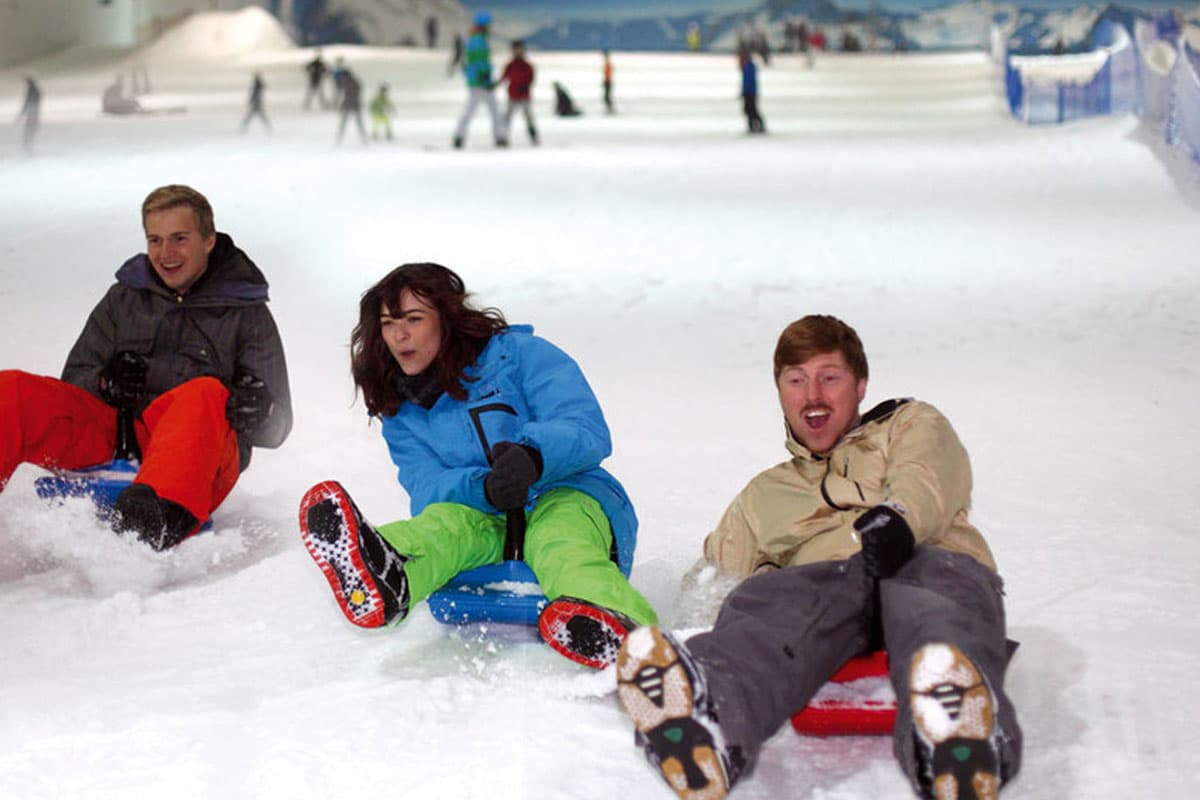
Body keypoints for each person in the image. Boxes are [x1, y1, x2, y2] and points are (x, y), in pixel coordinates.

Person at [616, 315, 1022, 800]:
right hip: (828, 588)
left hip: (926, 557)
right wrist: (662, 640)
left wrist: (898, 520)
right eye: (796, 380)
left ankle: (956, 732)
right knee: (771, 599)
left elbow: (927, 475)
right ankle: (708, 713)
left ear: (860, 385)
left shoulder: (907, 423)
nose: (813, 396)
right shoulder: (763, 496)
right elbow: (713, 581)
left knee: (936, 607)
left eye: (829, 377)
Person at [299, 263, 657, 669]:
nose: (400, 335)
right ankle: (386, 569)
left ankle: (618, 628)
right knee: (443, 527)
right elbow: (426, 484)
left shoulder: (522, 356)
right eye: (388, 324)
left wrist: (532, 457)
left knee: (560, 543)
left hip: (570, 494)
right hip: (487, 515)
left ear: (447, 321)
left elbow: (585, 427)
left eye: (414, 319)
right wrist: (482, 488)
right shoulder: (400, 410)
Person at [0, 185, 292, 551]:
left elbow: (277, 428)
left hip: (197, 456)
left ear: (208, 241)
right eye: (155, 240)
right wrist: (106, 383)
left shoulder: (246, 313)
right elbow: (74, 381)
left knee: (204, 392)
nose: (165, 254)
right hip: (119, 439)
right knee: (10, 390)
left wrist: (258, 410)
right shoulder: (125, 297)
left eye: (179, 239)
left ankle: (146, 531)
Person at [452, 11, 506, 149]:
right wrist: (485, 78)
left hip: (476, 82)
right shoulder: (478, 40)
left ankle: (459, 136)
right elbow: (478, 61)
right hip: (480, 82)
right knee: (492, 111)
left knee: (472, 110)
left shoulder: (475, 38)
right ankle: (500, 138)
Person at [497, 40, 538, 145]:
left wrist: (525, 87)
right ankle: (503, 137)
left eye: (520, 49)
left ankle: (533, 137)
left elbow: (531, 79)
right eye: (516, 49)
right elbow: (503, 78)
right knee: (507, 118)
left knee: (529, 117)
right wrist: (493, 85)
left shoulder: (527, 66)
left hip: (524, 96)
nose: (518, 51)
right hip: (513, 95)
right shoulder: (510, 65)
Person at [336, 69, 367, 145]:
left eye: (343, 76)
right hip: (352, 104)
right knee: (352, 122)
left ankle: (363, 138)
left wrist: (344, 104)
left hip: (352, 104)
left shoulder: (350, 82)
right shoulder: (350, 82)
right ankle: (340, 137)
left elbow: (350, 95)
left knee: (352, 122)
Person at [738, 49, 766, 135]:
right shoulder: (748, 66)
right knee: (749, 110)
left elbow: (749, 82)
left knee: (751, 110)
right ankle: (753, 126)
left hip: (750, 93)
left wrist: (745, 91)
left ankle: (758, 126)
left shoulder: (749, 67)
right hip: (749, 92)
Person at [14, 75, 41, 153]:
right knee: (31, 131)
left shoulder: (31, 91)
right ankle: (28, 148)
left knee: (29, 132)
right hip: (35, 114)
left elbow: (27, 104)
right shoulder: (37, 90)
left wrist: (20, 115)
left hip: (32, 115)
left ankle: (27, 149)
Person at [601, 50, 615, 114]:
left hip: (608, 81)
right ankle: (609, 108)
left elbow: (608, 74)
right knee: (606, 97)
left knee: (606, 97)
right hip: (607, 81)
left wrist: (606, 80)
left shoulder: (608, 65)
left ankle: (610, 108)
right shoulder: (607, 64)